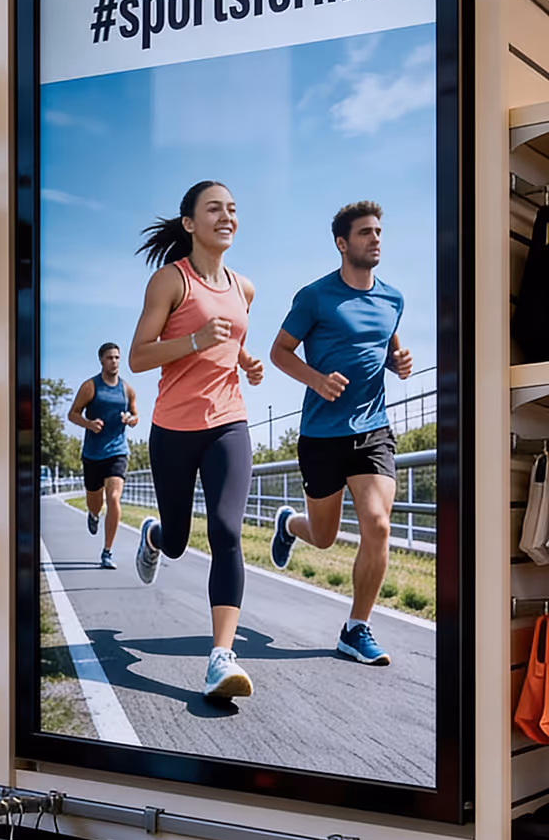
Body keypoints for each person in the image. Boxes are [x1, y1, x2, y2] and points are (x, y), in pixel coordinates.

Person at [125, 180, 266, 703]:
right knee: (180, 540)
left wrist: (245, 362)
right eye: (214, 209)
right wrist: (194, 341)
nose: (227, 216)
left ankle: (220, 658)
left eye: (232, 208)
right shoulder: (170, 281)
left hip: (228, 422)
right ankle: (156, 536)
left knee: (227, 531)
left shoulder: (244, 287)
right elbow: (139, 356)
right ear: (189, 223)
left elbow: (231, 341)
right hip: (174, 429)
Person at [267, 201, 414, 667]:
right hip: (321, 435)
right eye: (365, 233)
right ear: (342, 243)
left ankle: (356, 628)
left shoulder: (393, 299)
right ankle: (290, 525)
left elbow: (386, 348)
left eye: (378, 232)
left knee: (378, 524)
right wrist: (316, 380)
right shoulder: (314, 297)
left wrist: (398, 362)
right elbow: (280, 351)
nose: (376, 239)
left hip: (373, 430)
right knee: (324, 536)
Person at [68, 342, 139, 569]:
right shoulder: (90, 387)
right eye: (110, 358)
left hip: (117, 451)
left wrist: (130, 419)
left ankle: (107, 551)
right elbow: (72, 414)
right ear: (101, 360)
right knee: (95, 502)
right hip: (92, 453)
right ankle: (93, 514)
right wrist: (89, 424)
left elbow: (136, 415)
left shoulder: (126, 389)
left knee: (114, 498)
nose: (114, 361)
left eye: (117, 357)